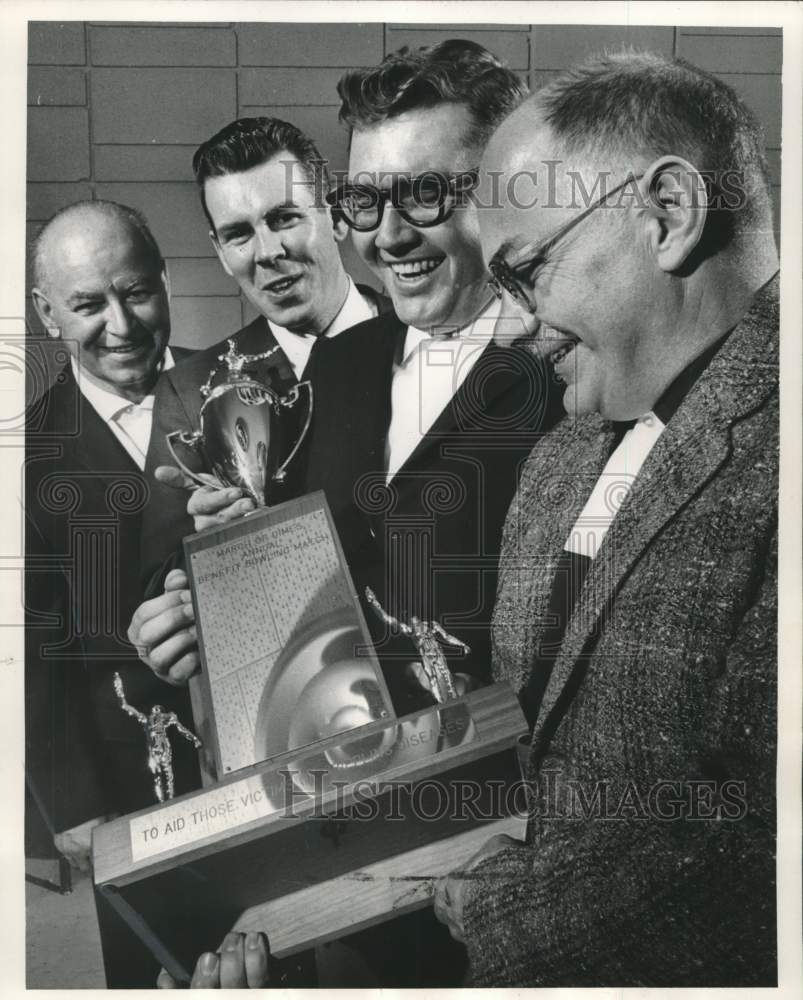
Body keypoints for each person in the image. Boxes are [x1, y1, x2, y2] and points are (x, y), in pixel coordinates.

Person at [132, 39, 559, 988]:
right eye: (366, 202)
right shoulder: (335, 371)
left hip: (509, 873)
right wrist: (213, 607)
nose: (389, 236)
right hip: (336, 875)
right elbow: (316, 611)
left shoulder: (566, 382)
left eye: (427, 197)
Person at [429, 50, 779, 986]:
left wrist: (499, 909)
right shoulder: (560, 454)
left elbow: (767, 850)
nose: (511, 326)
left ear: (668, 213)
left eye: (527, 272)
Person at [139, 116, 388, 593]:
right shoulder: (188, 391)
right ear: (219, 251)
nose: (267, 251)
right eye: (239, 233)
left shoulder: (423, 340)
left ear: (335, 217)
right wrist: (206, 543)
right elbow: (157, 585)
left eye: (284, 218)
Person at [25, 201, 199, 871]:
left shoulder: (247, 385)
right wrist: (75, 803)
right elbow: (28, 651)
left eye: (135, 292)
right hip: (138, 773)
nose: (121, 325)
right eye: (89, 305)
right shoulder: (26, 460)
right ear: (48, 314)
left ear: (163, 279)